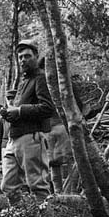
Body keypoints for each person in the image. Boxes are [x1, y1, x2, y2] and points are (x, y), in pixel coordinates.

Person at [0, 39, 55, 202]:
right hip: (14, 138)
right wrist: (9, 113)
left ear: (36, 57)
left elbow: (47, 108)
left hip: (31, 138)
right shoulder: (24, 81)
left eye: (27, 56)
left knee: (37, 185)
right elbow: (19, 110)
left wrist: (20, 110)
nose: (23, 60)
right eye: (20, 57)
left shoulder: (40, 78)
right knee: (8, 186)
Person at [37, 57, 84, 193]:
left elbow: (77, 104)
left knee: (62, 160)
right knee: (56, 161)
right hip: (52, 127)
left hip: (61, 126)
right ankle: (63, 192)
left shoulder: (63, 83)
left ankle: (66, 192)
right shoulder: (59, 83)